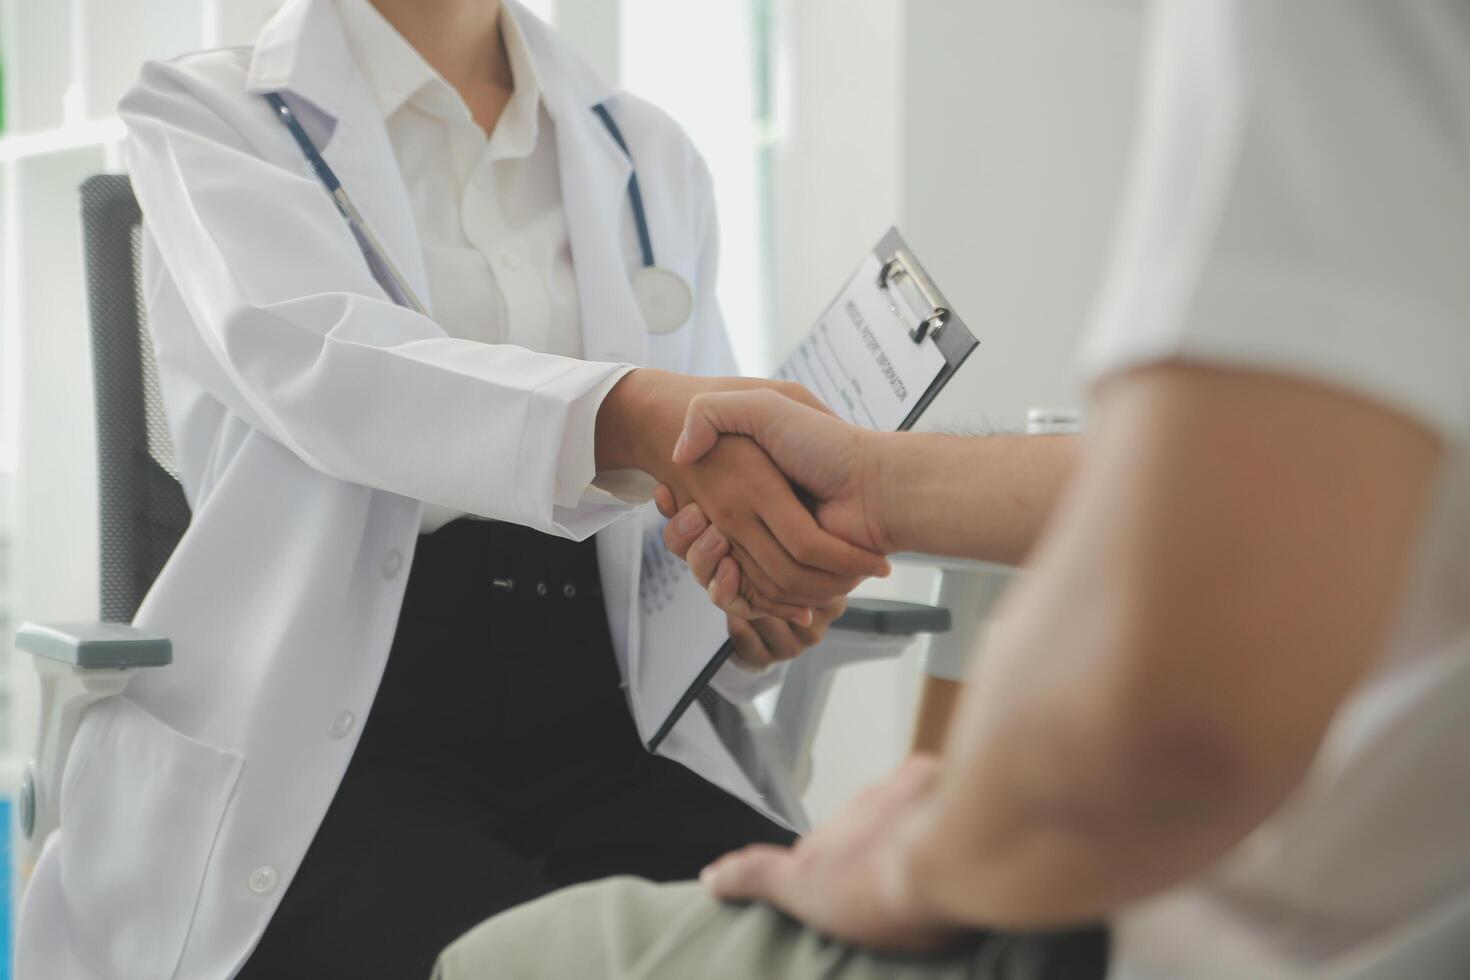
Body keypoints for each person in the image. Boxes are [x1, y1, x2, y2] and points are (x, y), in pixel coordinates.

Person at [430, 2, 1470, 978]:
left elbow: (1185, 707)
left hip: (1247, 924)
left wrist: (910, 857)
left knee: (504, 957)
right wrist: (874, 481)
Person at [14, 1, 893, 978]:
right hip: (346, 737)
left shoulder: (648, 151)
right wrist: (634, 412)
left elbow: (685, 488)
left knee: (802, 946)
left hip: (608, 715)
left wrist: (748, 591)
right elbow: (333, 370)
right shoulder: (211, 112)